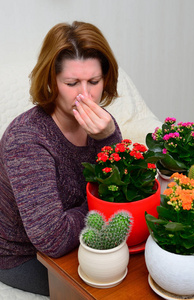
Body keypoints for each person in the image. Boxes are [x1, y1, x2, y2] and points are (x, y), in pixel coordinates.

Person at [0, 21, 122, 296]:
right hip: (24, 256)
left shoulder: (103, 124)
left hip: (84, 237)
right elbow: (52, 238)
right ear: (51, 82)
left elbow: (121, 187)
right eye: (71, 83)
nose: (86, 95)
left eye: (94, 81)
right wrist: (105, 203)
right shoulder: (26, 139)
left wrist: (109, 138)